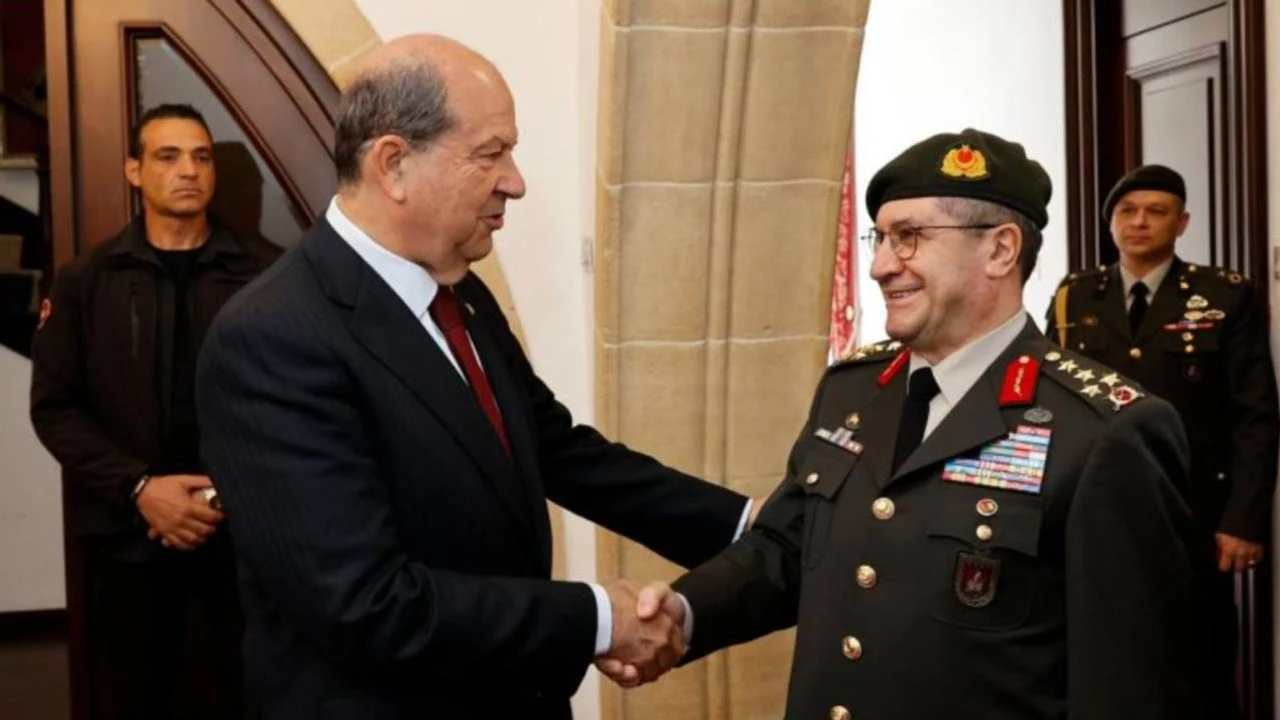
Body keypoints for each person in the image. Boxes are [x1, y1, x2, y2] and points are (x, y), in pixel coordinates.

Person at [193, 34, 755, 719]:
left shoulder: (460, 293)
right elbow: (365, 604)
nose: (515, 181)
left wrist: (752, 526)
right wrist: (599, 619)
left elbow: (558, 451)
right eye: (491, 154)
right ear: (394, 164)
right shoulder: (272, 337)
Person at [615, 129, 1207, 718]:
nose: (879, 266)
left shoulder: (1104, 431)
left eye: (909, 238)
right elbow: (786, 547)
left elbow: (1131, 685)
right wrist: (683, 612)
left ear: (1001, 250)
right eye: (880, 238)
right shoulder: (851, 389)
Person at [29, 103, 281, 719]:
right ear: (134, 171)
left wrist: (223, 494)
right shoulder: (86, 280)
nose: (189, 170)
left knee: (252, 695)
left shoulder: (266, 274)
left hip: (244, 536)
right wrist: (140, 488)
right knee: (138, 698)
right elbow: (55, 409)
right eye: (168, 156)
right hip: (128, 537)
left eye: (201, 157)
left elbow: (292, 403)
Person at [1044, 163, 1279, 717]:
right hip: (1095, 503)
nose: (1140, 222)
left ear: (1182, 222)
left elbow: (1255, 416)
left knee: (1200, 655)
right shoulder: (1076, 296)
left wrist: (1243, 519)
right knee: (1106, 649)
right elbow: (1051, 402)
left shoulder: (1223, 296)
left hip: (1193, 508)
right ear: (1111, 223)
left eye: (1156, 212)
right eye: (1127, 211)